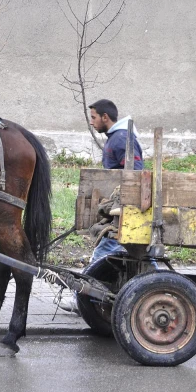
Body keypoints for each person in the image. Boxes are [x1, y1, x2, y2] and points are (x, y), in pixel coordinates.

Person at [60, 99, 144, 314]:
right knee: (110, 253)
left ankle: (83, 299)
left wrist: (123, 209)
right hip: (116, 211)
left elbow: (136, 175)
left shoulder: (122, 138)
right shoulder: (116, 138)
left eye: (94, 117)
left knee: (102, 255)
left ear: (105, 117)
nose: (92, 122)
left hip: (122, 213)